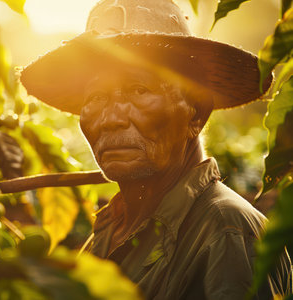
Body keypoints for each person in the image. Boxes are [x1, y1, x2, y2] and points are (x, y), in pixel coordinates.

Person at [20, 0, 292, 298]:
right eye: (96, 97)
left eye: (139, 90)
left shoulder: (227, 232)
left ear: (196, 113)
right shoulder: (114, 226)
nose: (111, 119)